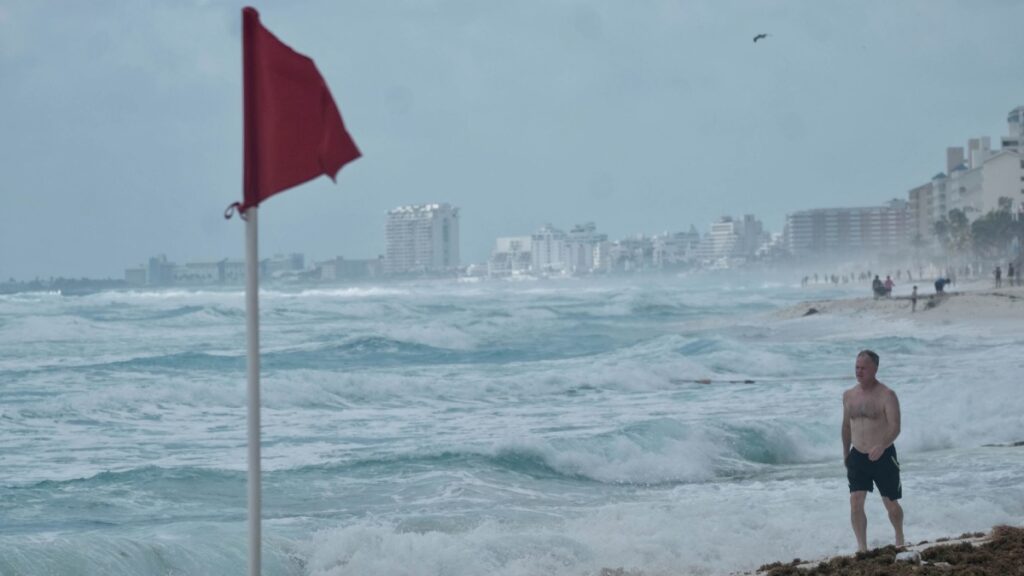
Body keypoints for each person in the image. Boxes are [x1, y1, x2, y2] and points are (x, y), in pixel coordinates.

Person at [842, 350, 904, 552]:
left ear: (875, 369)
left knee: (891, 504)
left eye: (863, 368)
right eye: (856, 367)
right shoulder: (849, 395)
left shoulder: (887, 395)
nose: (859, 372)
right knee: (855, 503)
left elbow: (895, 427)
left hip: (883, 455)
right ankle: (862, 547)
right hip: (857, 455)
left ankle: (899, 536)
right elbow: (845, 426)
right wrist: (846, 453)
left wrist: (882, 445)